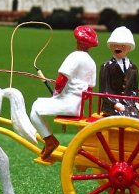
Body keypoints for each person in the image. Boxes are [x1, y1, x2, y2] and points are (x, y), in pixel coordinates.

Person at [30, 25, 98, 160]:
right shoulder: (91, 62)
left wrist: (57, 94)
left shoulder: (75, 56)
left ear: (78, 42)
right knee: (40, 104)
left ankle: (50, 141)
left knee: (35, 108)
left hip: (68, 102)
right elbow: (90, 89)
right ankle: (50, 141)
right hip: (79, 106)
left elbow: (61, 80)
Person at [99, 26, 139, 118]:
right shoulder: (107, 66)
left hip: (129, 103)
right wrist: (115, 103)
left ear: (129, 47)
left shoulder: (133, 67)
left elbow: (134, 90)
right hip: (111, 105)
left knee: (134, 114)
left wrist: (136, 102)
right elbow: (104, 90)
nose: (118, 48)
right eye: (115, 45)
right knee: (122, 115)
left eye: (122, 46)